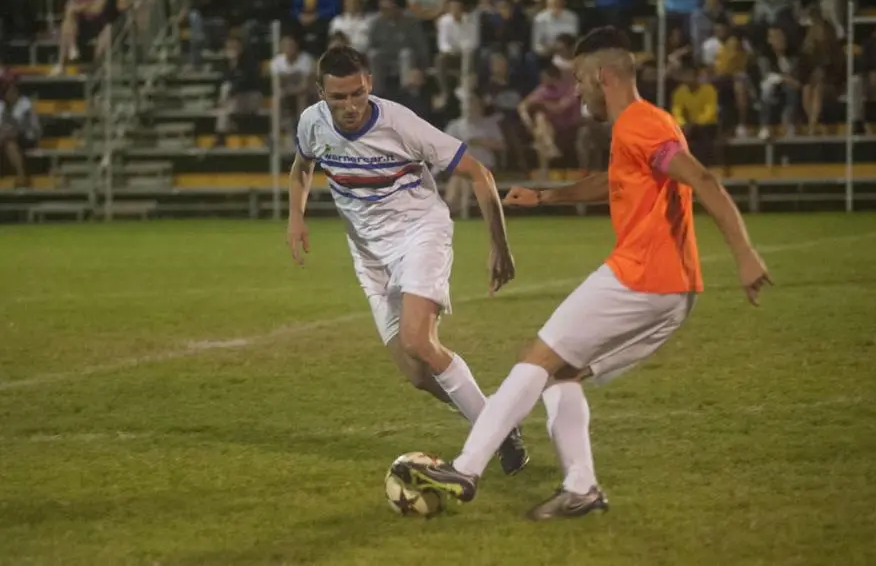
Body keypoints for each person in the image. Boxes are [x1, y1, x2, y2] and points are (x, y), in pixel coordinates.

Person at [393, 27, 771, 520]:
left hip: (641, 277)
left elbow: (701, 178)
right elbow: (612, 182)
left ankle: (466, 468)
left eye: (579, 80)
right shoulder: (640, 126)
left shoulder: (641, 123)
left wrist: (744, 253)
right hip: (673, 292)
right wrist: (545, 196)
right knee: (561, 375)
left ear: (603, 76)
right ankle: (581, 487)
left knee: (538, 358)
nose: (576, 90)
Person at [284, 45, 529, 475]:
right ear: (321, 93)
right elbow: (302, 166)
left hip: (420, 235)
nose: (350, 106)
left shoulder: (400, 123)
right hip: (369, 257)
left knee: (420, 342)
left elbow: (479, 174)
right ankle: (497, 423)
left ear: (370, 85)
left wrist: (500, 246)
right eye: (338, 97)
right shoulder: (311, 123)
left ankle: (493, 434)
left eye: (357, 93)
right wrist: (295, 216)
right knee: (416, 373)